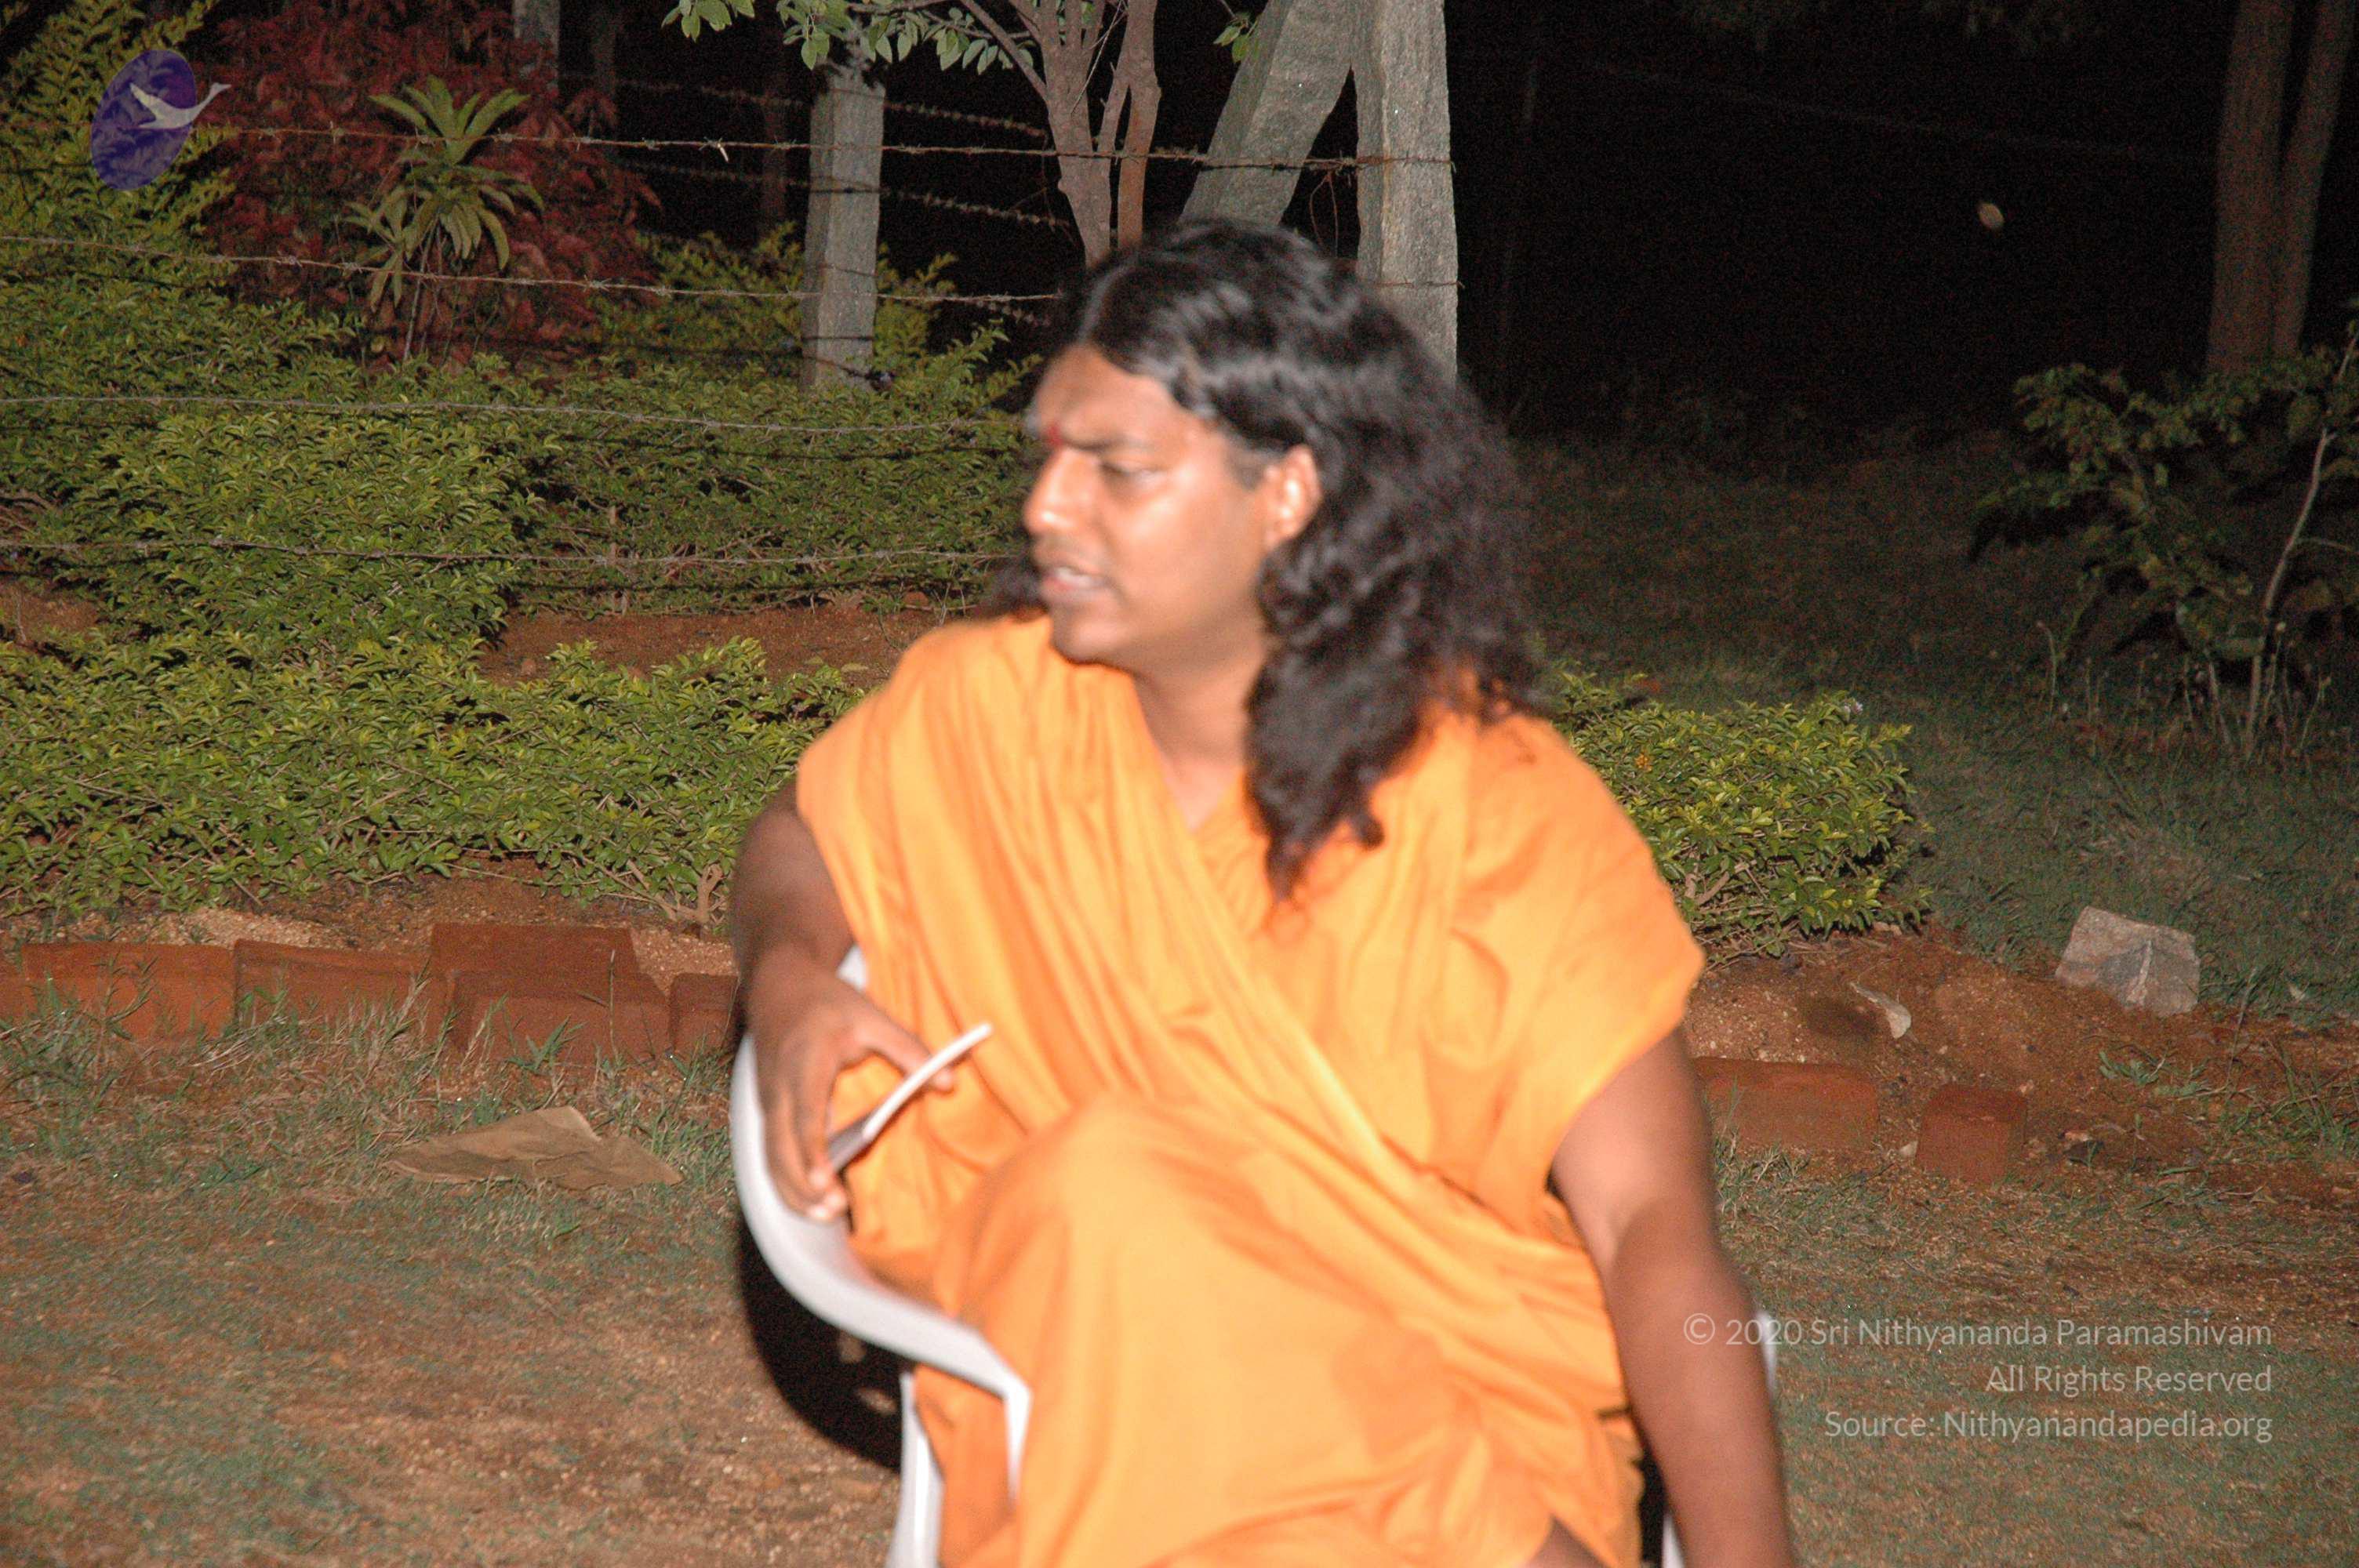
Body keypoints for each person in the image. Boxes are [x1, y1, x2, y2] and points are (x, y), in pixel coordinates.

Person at [730, 218, 1794, 1568]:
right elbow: (799, 834)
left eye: (1117, 469)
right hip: (1106, 1379)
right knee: (1114, 1197)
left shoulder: (1497, 807)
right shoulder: (985, 709)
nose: (1048, 507)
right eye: (1046, 455)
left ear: (1286, 492)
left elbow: (1652, 1229)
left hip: (1463, 1409)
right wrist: (791, 980)